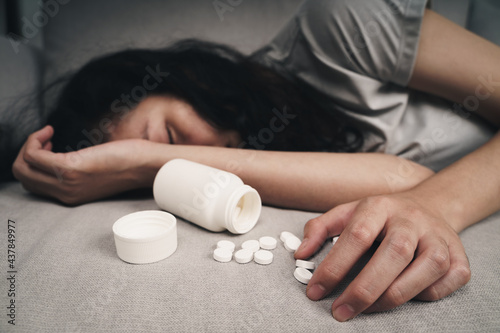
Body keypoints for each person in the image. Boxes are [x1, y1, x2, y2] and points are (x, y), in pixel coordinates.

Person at [11, 0, 500, 322]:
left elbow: (412, 183)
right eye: (155, 165)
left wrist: (146, 159)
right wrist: (142, 166)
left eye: (170, 137)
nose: (184, 165)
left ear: (187, 79)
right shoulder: (268, 159)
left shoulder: (342, 22)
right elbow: (396, 179)